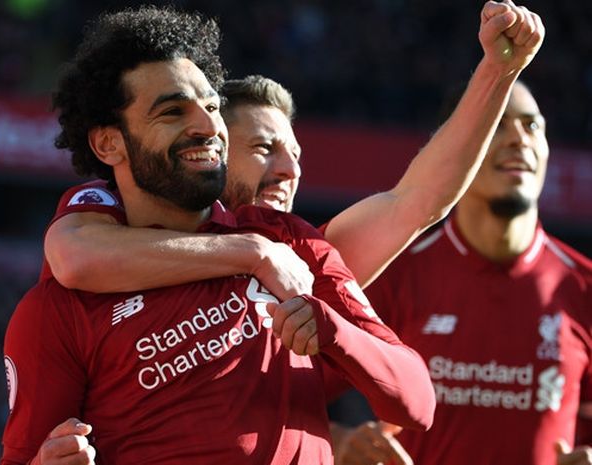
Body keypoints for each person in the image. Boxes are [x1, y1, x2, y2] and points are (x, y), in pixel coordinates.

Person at [34, 1, 544, 463]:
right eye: (264, 148)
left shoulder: (298, 250)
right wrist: (252, 252)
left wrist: (497, 73)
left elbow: (415, 204)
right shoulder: (103, 240)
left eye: (296, 154)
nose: (289, 170)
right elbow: (73, 252)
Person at [333, 80, 592, 465]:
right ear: (457, 145)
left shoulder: (584, 287)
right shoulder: (392, 274)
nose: (519, 138)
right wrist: (340, 444)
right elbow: (287, 395)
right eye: (498, 124)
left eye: (532, 125)